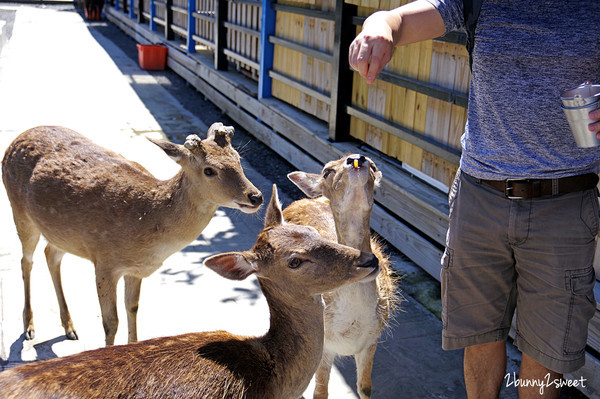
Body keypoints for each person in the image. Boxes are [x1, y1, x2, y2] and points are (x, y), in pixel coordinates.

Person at [349, 1, 600, 398]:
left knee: (546, 347)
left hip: (564, 203)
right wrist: (379, 25)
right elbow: (399, 21)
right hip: (480, 198)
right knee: (479, 334)